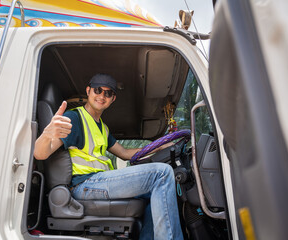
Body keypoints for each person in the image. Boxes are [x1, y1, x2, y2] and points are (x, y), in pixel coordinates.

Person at [34, 74, 183, 240]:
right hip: (85, 184)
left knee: (152, 195)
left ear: (113, 99)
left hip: (97, 182)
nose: (102, 96)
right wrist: (47, 134)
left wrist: (160, 146)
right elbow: (40, 154)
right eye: (98, 90)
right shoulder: (74, 118)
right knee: (161, 173)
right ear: (88, 91)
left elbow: (125, 153)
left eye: (108, 93)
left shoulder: (102, 127)